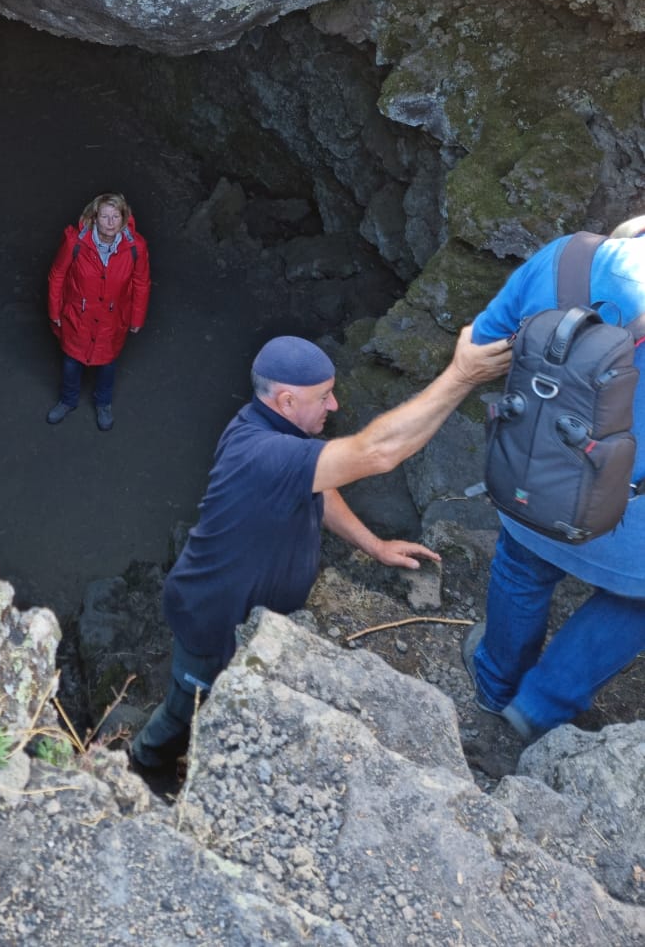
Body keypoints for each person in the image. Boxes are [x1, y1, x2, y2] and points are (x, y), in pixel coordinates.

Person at [131, 326, 512, 769]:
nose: (335, 405)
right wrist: (462, 376)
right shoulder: (263, 454)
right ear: (287, 401)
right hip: (211, 622)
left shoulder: (280, 437)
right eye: (325, 396)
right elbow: (378, 452)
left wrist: (374, 546)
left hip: (246, 611)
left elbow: (321, 484)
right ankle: (144, 763)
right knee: (185, 705)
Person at [463, 216, 645, 742]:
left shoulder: (566, 257)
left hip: (535, 481)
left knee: (521, 570)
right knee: (636, 598)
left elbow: (481, 345)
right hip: (628, 514)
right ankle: (537, 708)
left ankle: (494, 686)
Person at [46, 192, 151, 431]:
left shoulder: (136, 247)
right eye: (105, 216)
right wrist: (54, 311)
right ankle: (67, 400)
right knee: (72, 361)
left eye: (116, 216)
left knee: (107, 363)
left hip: (112, 319)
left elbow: (141, 283)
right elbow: (57, 276)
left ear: (124, 219)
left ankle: (103, 403)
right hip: (77, 316)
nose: (110, 222)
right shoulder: (75, 243)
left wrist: (137, 318)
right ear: (94, 218)